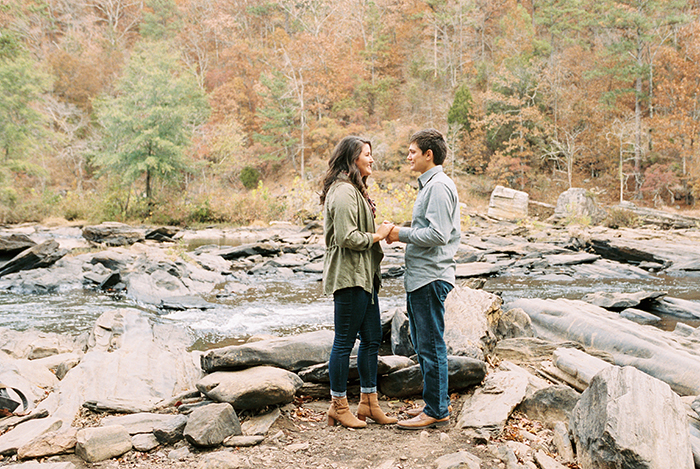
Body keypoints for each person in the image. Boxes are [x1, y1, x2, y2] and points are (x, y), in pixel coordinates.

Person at [320, 136, 397, 428]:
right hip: (349, 276)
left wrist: (378, 231)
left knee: (372, 338)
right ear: (353, 159)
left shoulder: (355, 190)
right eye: (367, 154)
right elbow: (346, 237)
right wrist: (377, 235)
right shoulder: (342, 192)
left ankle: (368, 403)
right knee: (343, 342)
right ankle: (338, 406)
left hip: (365, 276)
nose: (371, 159)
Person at [386, 129, 461, 430]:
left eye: (412, 151)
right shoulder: (430, 186)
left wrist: (398, 234)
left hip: (431, 277)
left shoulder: (439, 187)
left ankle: (437, 411)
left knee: (431, 345)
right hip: (422, 277)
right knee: (423, 343)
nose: (408, 156)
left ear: (429, 154)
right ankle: (434, 403)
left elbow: (438, 234)